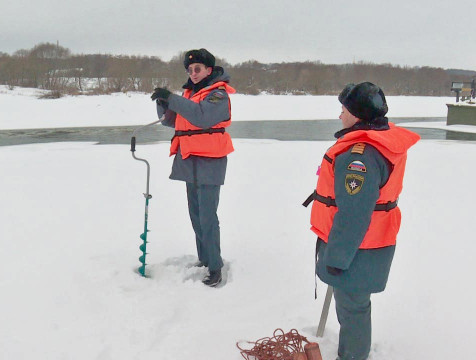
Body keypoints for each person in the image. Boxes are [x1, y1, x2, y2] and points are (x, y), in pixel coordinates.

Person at [303, 82, 420, 359]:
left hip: (357, 247)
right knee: (355, 303)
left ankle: (353, 355)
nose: (340, 115)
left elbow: (354, 213)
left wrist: (336, 258)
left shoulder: (361, 155)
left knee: (352, 306)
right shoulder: (378, 141)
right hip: (371, 241)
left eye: (343, 110)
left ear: (357, 115)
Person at [151, 48, 235, 287]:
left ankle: (216, 267)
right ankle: (205, 259)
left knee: (208, 216)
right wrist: (164, 103)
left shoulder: (218, 95)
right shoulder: (190, 94)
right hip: (189, 159)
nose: (193, 73)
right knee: (196, 214)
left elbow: (201, 117)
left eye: (197, 69)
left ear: (209, 70)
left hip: (210, 160)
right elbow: (173, 121)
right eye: (190, 70)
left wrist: (174, 98)